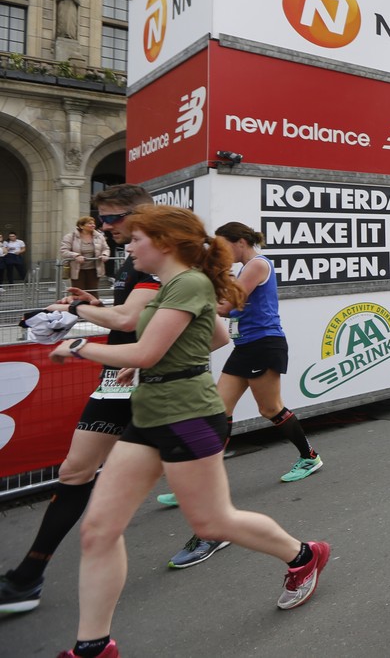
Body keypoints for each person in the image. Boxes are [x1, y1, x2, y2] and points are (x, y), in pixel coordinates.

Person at [49, 206, 331, 658]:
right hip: (150, 412)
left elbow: (145, 349)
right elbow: (213, 335)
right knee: (99, 529)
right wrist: (109, 322)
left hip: (189, 413)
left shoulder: (194, 283)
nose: (127, 245)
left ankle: (304, 554)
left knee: (213, 520)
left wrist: (80, 345)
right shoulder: (169, 285)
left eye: (137, 238)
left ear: (164, 243)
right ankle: (93, 646)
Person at [0, 186, 157, 616]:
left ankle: (288, 551)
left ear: (142, 214)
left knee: (206, 508)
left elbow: (130, 318)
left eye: (113, 218)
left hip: (157, 382)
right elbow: (127, 312)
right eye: (101, 218)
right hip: (119, 378)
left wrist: (74, 315)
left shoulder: (161, 254)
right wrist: (91, 302)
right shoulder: (132, 255)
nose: (105, 226)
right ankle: (27, 577)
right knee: (74, 471)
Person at [156, 221, 324, 569]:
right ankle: (200, 482)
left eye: (224, 245)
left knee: (270, 409)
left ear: (241, 242)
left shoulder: (257, 264)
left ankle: (309, 457)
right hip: (246, 346)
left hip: (264, 344)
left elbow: (227, 305)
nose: (221, 252)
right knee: (218, 412)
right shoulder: (243, 268)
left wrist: (192, 298)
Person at [61, 216, 110, 293]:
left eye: (93, 223)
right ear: (81, 226)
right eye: (90, 223)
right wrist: (76, 255)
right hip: (77, 270)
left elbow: (106, 248)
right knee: (78, 292)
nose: (93, 225)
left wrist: (105, 255)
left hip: (94, 269)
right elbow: (64, 251)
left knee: (93, 292)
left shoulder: (99, 236)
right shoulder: (70, 237)